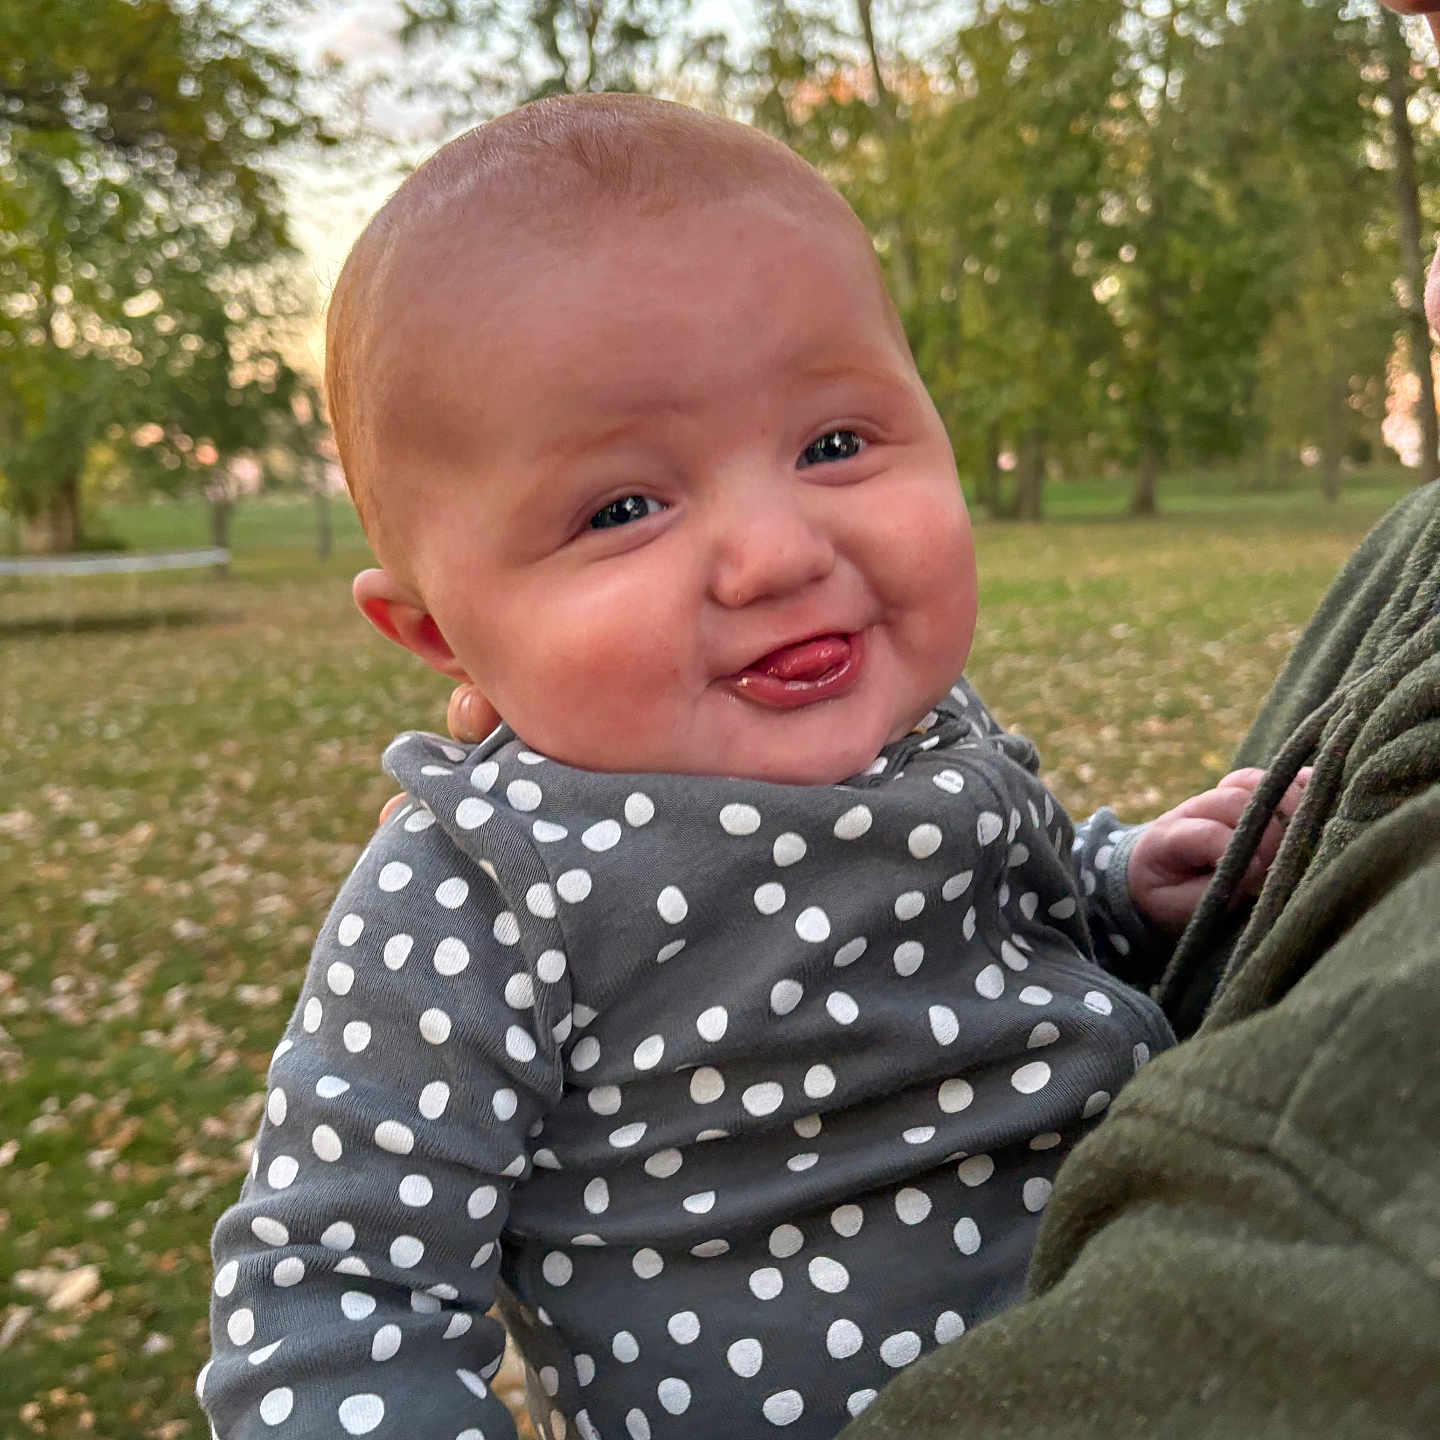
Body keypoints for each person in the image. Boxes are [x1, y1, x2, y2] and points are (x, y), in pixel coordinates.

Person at [200, 97, 1304, 1440]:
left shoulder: (920, 720)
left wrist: (1122, 881)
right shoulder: (486, 887)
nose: (777, 553)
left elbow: (1007, 934)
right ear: (441, 629)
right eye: (622, 508)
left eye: (833, 444)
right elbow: (329, 1294)